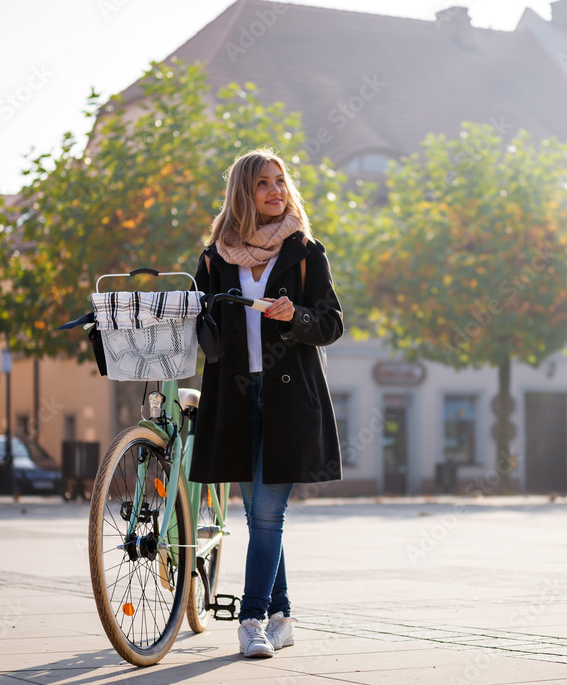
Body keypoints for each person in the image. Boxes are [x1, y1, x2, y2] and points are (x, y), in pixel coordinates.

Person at [189, 147, 345, 658]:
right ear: (244, 193)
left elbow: (331, 323)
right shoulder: (215, 257)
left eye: (280, 181)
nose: (276, 191)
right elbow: (202, 327)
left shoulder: (305, 251)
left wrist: (294, 316)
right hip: (234, 400)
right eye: (263, 184)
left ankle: (252, 619)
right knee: (258, 511)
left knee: (265, 517)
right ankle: (283, 615)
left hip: (289, 402)